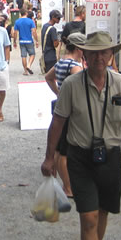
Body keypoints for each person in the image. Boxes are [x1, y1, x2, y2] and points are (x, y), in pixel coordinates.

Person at [40, 31, 121, 240]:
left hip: (110, 156)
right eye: (94, 52)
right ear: (85, 55)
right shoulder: (71, 85)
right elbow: (57, 122)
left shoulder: (119, 84)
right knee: (88, 217)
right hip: (80, 158)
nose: (99, 57)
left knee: (103, 212)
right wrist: (49, 158)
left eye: (104, 52)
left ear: (111, 55)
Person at [44, 32, 85, 198]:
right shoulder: (75, 66)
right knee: (64, 152)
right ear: (78, 48)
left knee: (58, 149)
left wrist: (59, 93)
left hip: (62, 107)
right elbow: (84, 85)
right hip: (71, 111)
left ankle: (56, 181)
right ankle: (68, 187)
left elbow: (48, 77)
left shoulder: (61, 62)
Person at [13, 9, 38, 75]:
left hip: (21, 41)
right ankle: (29, 65)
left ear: (20, 14)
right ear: (26, 13)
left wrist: (14, 41)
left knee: (23, 56)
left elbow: (15, 32)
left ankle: (25, 71)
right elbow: (34, 31)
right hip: (29, 40)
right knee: (32, 54)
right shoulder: (30, 21)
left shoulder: (17, 21)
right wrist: (36, 40)